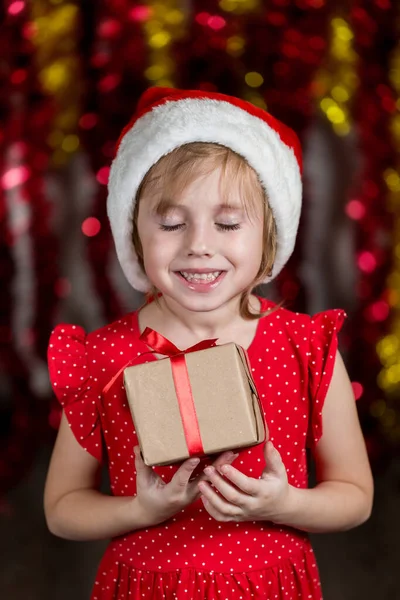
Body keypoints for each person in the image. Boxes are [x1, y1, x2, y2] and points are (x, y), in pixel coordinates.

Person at [44, 87, 373, 600]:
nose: (199, 244)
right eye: (171, 223)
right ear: (134, 235)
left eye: (227, 223)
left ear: (269, 236)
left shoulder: (303, 345)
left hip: (270, 584)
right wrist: (140, 510)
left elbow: (355, 496)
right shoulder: (106, 356)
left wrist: (281, 503)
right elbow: (63, 508)